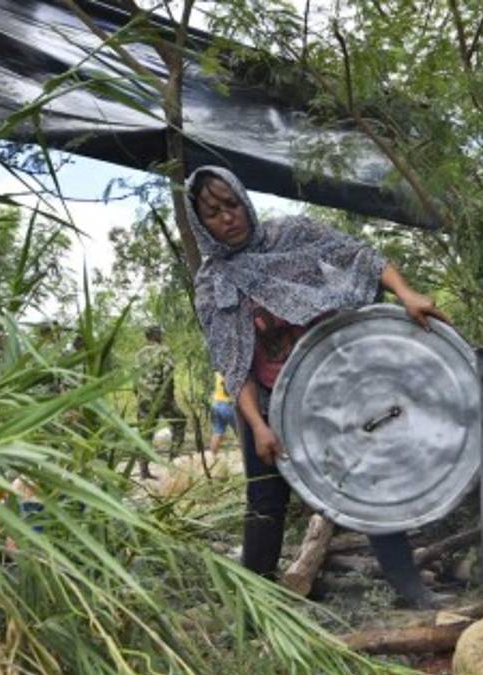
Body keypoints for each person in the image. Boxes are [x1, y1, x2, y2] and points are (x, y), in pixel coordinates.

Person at [188, 166, 448, 609]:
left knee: (366, 482)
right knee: (265, 500)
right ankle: (259, 607)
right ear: (201, 225)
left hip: (339, 390)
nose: (226, 218)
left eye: (230, 204)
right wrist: (259, 426)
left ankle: (411, 591)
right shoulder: (213, 284)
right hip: (268, 405)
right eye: (212, 213)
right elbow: (235, 368)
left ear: (243, 199)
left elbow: (359, 256)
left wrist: (406, 293)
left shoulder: (294, 236)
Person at [135, 325, 186, 479]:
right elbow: (168, 374)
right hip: (161, 397)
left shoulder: (139, 354)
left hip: (143, 399)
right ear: (156, 335)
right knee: (180, 422)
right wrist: (168, 398)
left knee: (146, 433)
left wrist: (138, 395)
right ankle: (173, 463)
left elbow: (134, 377)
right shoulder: (164, 351)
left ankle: (144, 471)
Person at [208, 371, 235, 456]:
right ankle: (247, 457)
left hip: (216, 404)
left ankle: (212, 457)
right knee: (242, 433)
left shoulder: (218, 372)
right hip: (228, 405)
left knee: (217, 432)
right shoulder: (230, 371)